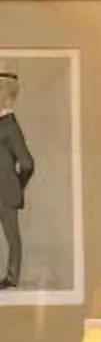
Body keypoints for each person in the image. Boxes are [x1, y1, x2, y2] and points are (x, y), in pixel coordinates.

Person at [0, 73, 32, 290]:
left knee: (12, 235)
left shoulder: (10, 126)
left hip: (6, 191)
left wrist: (17, 185)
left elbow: (27, 163)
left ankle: (12, 277)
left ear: (7, 97)